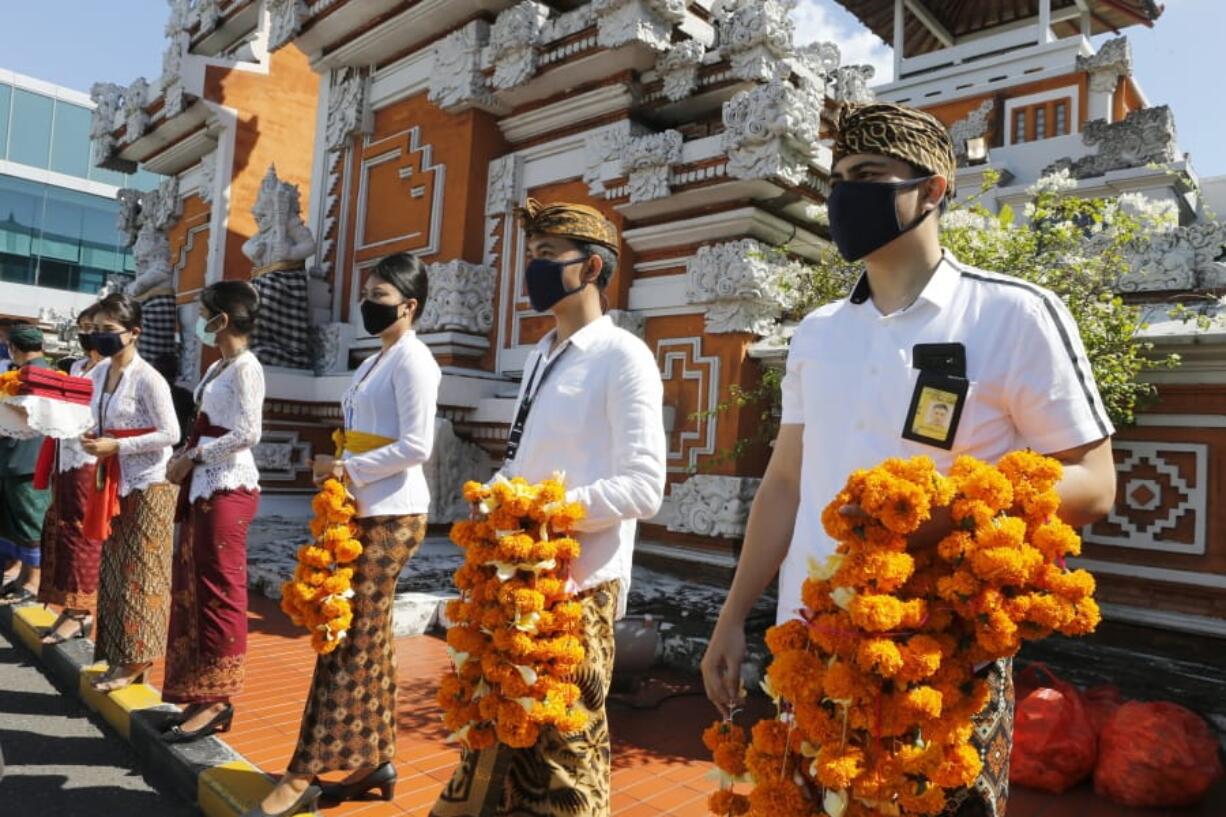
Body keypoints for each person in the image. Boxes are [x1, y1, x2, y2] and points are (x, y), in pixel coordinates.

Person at [699, 102, 1118, 817]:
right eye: (835, 179)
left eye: (867, 175)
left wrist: (948, 518)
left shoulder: (1013, 314)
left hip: (942, 658)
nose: (842, 195)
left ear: (934, 188)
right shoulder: (817, 333)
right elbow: (785, 484)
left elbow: (1093, 480)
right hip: (818, 647)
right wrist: (733, 613)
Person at [431, 200, 667, 817]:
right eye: (529, 255)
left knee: (566, 752)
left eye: (543, 258)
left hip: (579, 586)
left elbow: (644, 486)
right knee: (503, 730)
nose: (530, 270)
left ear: (590, 268)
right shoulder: (542, 354)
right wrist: (497, 495)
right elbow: (523, 457)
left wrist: (541, 511)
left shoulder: (624, 357)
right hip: (515, 579)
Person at [249, 253, 440, 817]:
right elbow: (366, 434)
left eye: (380, 296)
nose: (368, 304)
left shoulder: (415, 362)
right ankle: (374, 759)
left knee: (344, 638)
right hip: (361, 511)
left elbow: (417, 446)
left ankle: (304, 769)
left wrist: (345, 468)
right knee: (370, 640)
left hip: (393, 517)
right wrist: (340, 461)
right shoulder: (372, 362)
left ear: (409, 305)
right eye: (368, 293)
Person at [160, 282, 265, 742]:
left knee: (220, 589)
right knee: (195, 588)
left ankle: (220, 698)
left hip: (228, 485)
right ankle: (200, 693)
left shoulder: (247, 367)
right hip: (203, 486)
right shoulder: (219, 366)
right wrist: (185, 456)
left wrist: (195, 457)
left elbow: (248, 432)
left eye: (204, 313)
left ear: (222, 319)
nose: (199, 321)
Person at [81, 293, 181, 693]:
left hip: (147, 484)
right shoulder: (98, 372)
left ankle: (138, 659)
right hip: (111, 479)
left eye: (109, 331)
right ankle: (120, 653)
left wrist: (118, 445)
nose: (100, 338)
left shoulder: (148, 378)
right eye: (96, 330)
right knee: (115, 570)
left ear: (134, 333)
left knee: (142, 575)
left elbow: (170, 434)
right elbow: (84, 412)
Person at [38, 307, 105, 643]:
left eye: (93, 328)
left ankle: (80, 611)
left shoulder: (110, 369)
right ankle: (65, 603)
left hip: (90, 459)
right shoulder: (77, 366)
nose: (86, 334)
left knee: (82, 531)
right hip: (66, 454)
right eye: (83, 328)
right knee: (62, 526)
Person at [0, 324, 54, 605]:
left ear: (15, 349)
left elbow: (34, 414)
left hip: (29, 459)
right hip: (15, 457)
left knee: (30, 520)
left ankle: (34, 580)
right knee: (14, 521)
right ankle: (22, 577)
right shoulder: (23, 373)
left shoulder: (39, 375)